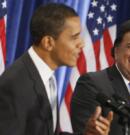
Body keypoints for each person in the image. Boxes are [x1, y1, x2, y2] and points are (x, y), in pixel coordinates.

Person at [0, 3, 113, 135]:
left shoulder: (47, 76)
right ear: (48, 43)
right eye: (74, 37)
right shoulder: (15, 86)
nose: (82, 43)